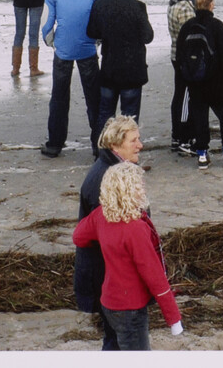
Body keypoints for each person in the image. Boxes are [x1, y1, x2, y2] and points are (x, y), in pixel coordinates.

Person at [71, 161, 184, 350]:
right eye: (140, 185)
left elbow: (79, 237)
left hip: (108, 301)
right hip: (130, 308)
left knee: (113, 346)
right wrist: (174, 319)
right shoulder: (135, 228)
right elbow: (154, 275)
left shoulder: (101, 215)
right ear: (129, 190)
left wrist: (106, 242)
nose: (143, 190)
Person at [73, 116, 146, 351]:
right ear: (115, 145)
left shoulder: (116, 170)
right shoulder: (105, 179)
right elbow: (108, 237)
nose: (140, 145)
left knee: (114, 341)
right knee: (118, 343)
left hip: (110, 281)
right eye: (134, 140)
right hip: (109, 282)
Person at [40, 0, 105, 157]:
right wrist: (97, 41)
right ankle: (98, 144)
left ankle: (55, 144)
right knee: (94, 97)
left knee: (59, 96)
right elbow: (101, 18)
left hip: (64, 48)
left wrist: (52, 43)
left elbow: (46, 24)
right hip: (87, 47)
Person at [173, 0, 223, 167]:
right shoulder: (217, 25)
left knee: (199, 117)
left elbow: (180, 55)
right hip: (216, 80)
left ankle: (202, 155)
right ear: (210, 4)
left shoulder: (187, 26)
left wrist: (186, 77)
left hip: (195, 81)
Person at [86, 0, 155, 136]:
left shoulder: (100, 3)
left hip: (110, 66)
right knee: (129, 116)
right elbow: (147, 36)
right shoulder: (138, 6)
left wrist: (108, 33)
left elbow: (91, 32)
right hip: (133, 68)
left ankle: (100, 150)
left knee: (105, 112)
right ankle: (125, 150)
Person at [166, 0, 200, 136]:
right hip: (185, 57)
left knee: (179, 94)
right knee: (185, 95)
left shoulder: (173, 2)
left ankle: (177, 133)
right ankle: (182, 134)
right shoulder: (185, 7)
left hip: (176, 53)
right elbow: (189, 36)